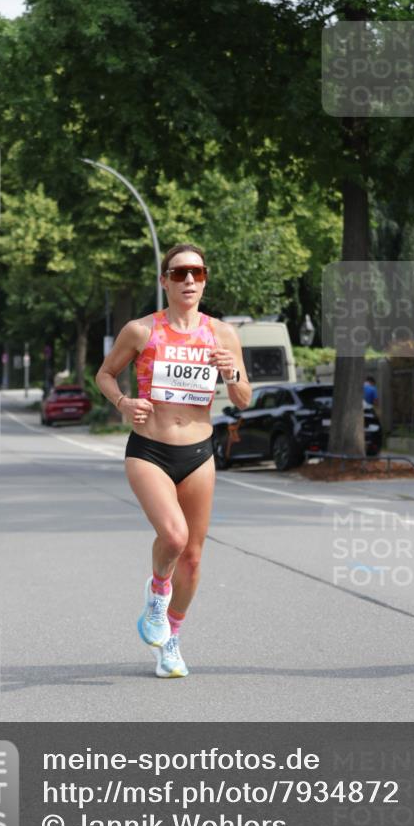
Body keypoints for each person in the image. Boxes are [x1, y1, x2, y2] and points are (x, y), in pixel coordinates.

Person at [96, 244, 251, 677]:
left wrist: (231, 373)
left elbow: (243, 397)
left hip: (199, 452)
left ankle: (172, 641)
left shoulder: (222, 335)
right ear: (164, 280)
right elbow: (105, 375)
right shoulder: (141, 331)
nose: (188, 281)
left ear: (204, 280)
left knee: (195, 557)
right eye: (179, 273)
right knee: (174, 535)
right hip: (149, 449)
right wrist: (124, 402)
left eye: (196, 274)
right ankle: (158, 592)